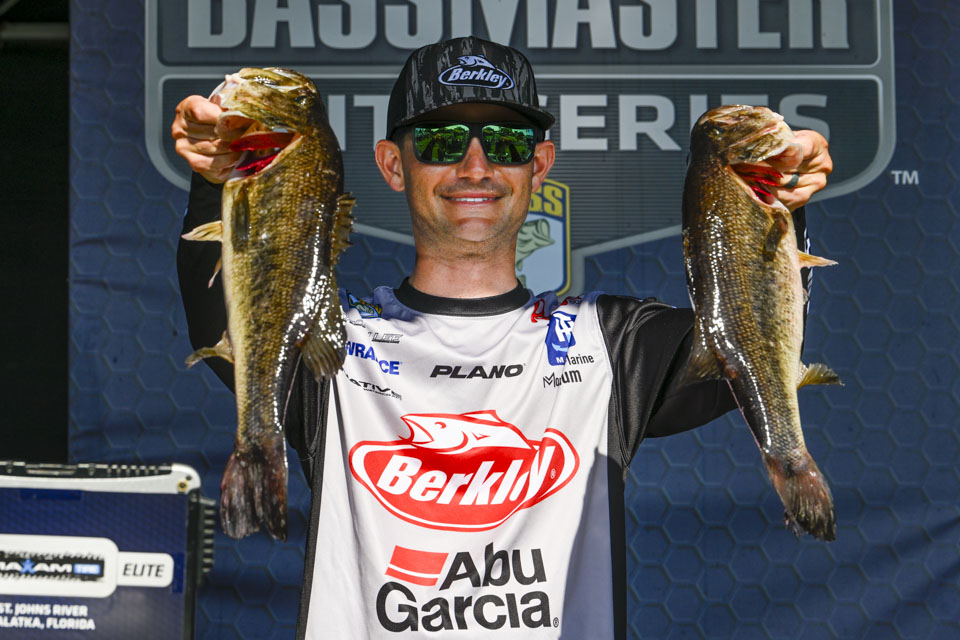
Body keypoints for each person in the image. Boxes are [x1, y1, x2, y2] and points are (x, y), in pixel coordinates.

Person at [172, 37, 831, 640]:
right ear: (393, 165)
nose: (476, 165)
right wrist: (217, 180)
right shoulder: (331, 344)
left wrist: (777, 206)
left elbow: (753, 345)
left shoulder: (612, 343)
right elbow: (222, 317)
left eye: (507, 143)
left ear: (538, 166)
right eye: (441, 141)